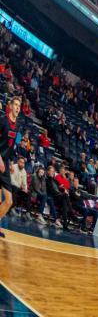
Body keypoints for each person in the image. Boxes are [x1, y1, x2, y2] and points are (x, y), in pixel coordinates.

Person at [0, 95, 23, 237]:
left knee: (8, 201)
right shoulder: (2, 120)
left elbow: (11, 145)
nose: (17, 108)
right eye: (15, 105)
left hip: (5, 166)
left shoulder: (18, 124)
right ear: (10, 106)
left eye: (19, 106)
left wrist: (9, 162)